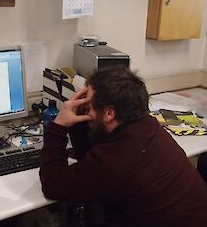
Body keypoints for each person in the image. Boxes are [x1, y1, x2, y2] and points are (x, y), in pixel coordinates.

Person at [40, 66, 207, 227]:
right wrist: (84, 116)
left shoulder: (115, 161)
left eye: (88, 106)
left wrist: (59, 125)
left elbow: (52, 185)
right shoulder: (147, 126)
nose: (86, 109)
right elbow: (90, 155)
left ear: (109, 113)